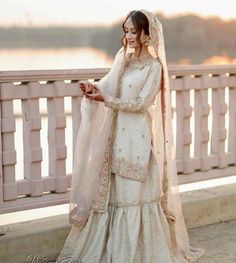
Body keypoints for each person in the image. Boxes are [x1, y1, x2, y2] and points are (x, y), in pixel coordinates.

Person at [56, 9, 204, 263]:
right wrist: (95, 88)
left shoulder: (154, 67)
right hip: (116, 138)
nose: (129, 35)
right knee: (115, 197)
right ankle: (111, 248)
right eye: (126, 30)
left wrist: (107, 99)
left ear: (147, 33)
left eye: (134, 31)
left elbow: (141, 103)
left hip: (136, 138)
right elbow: (110, 84)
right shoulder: (123, 60)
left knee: (135, 196)